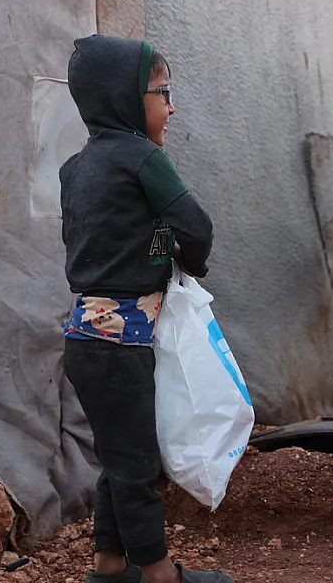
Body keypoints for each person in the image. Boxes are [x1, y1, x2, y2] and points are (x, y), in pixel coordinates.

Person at [60, 34, 233, 583]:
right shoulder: (143, 157)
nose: (171, 104)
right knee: (136, 465)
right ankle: (160, 575)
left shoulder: (75, 169)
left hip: (86, 340)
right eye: (163, 91)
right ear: (126, 96)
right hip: (124, 343)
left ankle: (110, 567)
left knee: (119, 453)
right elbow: (197, 227)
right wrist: (191, 261)